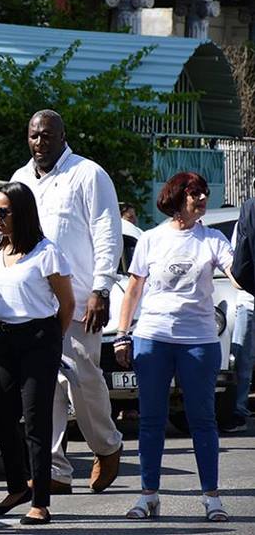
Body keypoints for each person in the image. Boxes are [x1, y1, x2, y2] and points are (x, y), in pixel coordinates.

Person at [10, 109, 123, 494]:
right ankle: (55, 469)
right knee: (44, 386)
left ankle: (107, 446)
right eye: (33, 136)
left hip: (78, 299)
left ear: (62, 136)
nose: (40, 142)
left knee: (82, 378)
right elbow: (12, 237)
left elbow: (108, 232)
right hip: (34, 302)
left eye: (47, 135)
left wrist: (101, 288)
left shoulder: (88, 174)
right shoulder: (20, 179)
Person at [113, 172, 233, 522]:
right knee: (151, 420)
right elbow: (134, 289)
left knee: (203, 420)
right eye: (195, 193)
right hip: (153, 337)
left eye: (204, 193)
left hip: (199, 342)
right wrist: (123, 333)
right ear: (177, 197)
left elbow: (235, 271)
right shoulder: (151, 239)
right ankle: (148, 495)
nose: (201, 199)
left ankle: (211, 497)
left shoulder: (212, 239)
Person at [0, 182, 75, 526]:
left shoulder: (46, 251)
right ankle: (17, 486)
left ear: (21, 213)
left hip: (40, 337)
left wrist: (52, 340)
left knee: (36, 422)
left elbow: (67, 304)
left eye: (2, 212)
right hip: (6, 339)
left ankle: (41, 502)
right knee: (3, 417)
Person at [225, 223, 254, 433]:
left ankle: (239, 410)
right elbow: (237, 260)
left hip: (247, 300)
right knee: (241, 360)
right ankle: (238, 411)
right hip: (248, 300)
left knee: (242, 359)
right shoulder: (246, 220)